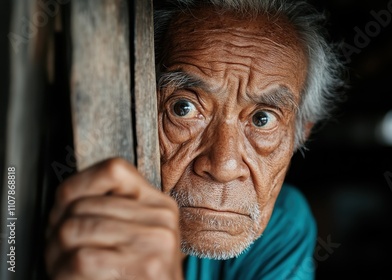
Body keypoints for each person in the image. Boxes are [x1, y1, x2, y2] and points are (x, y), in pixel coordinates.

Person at [44, 0, 344, 279]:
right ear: (137, 108)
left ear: (299, 134)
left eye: (262, 119)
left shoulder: (284, 224)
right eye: (183, 108)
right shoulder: (51, 194)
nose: (223, 166)